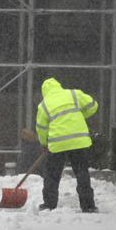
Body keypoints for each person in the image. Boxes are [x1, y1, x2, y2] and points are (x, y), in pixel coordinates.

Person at [35, 77, 98, 212]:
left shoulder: (44, 105)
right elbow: (93, 105)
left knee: (52, 175)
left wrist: (44, 143)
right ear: (59, 86)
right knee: (82, 173)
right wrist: (80, 115)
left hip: (58, 143)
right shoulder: (74, 94)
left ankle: (49, 205)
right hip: (79, 142)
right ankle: (88, 206)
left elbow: (41, 128)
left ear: (44, 92)